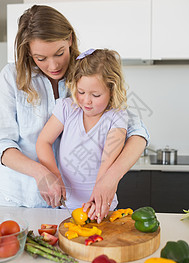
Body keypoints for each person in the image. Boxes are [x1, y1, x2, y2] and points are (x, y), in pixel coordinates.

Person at [0, 5, 149, 219]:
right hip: (21, 201)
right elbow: (3, 144)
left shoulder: (88, 71)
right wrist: (42, 172)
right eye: (40, 58)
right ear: (28, 53)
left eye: (59, 53)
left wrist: (110, 178)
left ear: (69, 39)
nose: (52, 65)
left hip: (76, 205)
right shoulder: (11, 77)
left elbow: (138, 131)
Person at [36, 48, 129, 222]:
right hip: (64, 207)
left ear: (112, 90)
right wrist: (54, 174)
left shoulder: (116, 117)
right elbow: (43, 142)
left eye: (96, 95)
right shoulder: (67, 108)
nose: (86, 100)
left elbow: (107, 163)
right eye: (81, 92)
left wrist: (97, 201)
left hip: (102, 207)